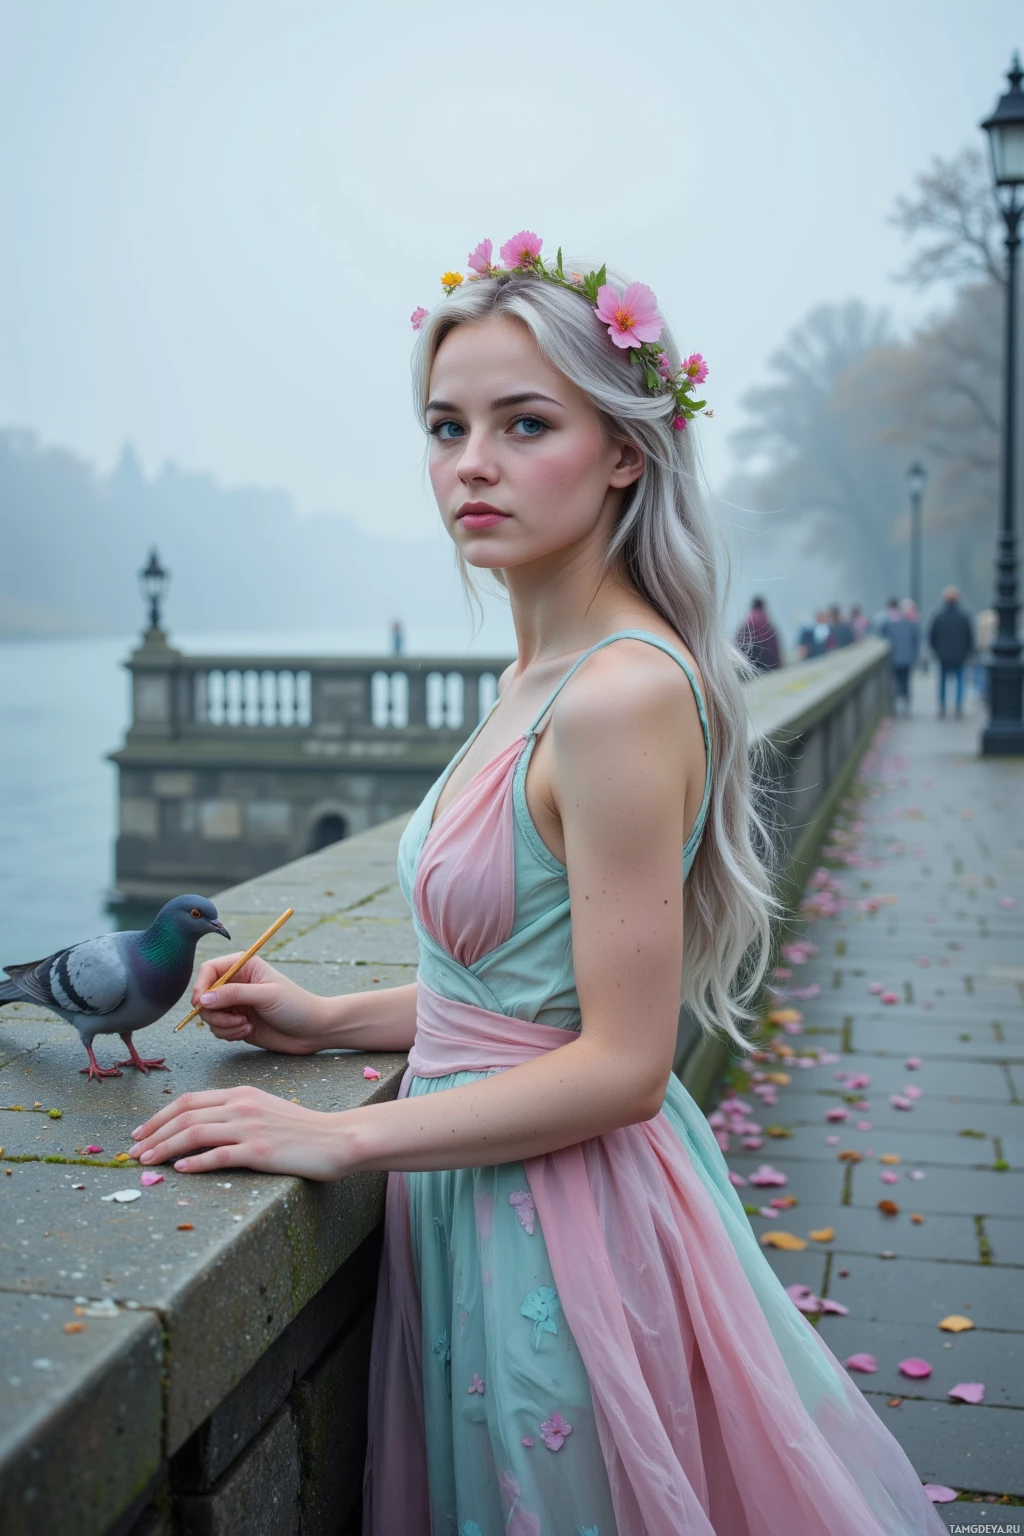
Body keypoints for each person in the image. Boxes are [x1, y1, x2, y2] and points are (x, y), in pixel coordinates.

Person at [127, 235, 946, 1536]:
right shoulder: (536, 680)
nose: (474, 464)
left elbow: (621, 1061)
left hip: (559, 1233)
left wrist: (340, 1135)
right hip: (481, 1202)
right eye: (448, 426)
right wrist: (328, 1021)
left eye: (524, 423)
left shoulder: (618, 695)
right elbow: (517, 993)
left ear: (625, 448)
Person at [928, 585, 974, 718]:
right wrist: (969, 652)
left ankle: (942, 706)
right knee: (960, 682)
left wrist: (936, 651)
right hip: (960, 656)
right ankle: (958, 707)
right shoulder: (964, 617)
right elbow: (969, 637)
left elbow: (932, 637)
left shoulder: (938, 616)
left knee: (942, 682)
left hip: (943, 656)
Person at [884, 597, 920, 715]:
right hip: (907, 658)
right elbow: (915, 642)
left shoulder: (890, 624)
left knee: (896, 682)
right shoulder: (911, 625)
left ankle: (896, 706)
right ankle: (905, 704)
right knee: (905, 682)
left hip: (895, 659)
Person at [735, 595, 781, 672]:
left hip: (751, 664)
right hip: (767, 663)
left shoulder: (747, 620)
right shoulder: (765, 621)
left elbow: (739, 642)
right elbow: (773, 644)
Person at [974, 606, 997, 703]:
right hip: (993, 650)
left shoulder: (982, 620)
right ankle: (988, 692)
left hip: (983, 650)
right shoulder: (996, 621)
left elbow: (979, 638)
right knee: (989, 673)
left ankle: (982, 693)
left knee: (980, 672)